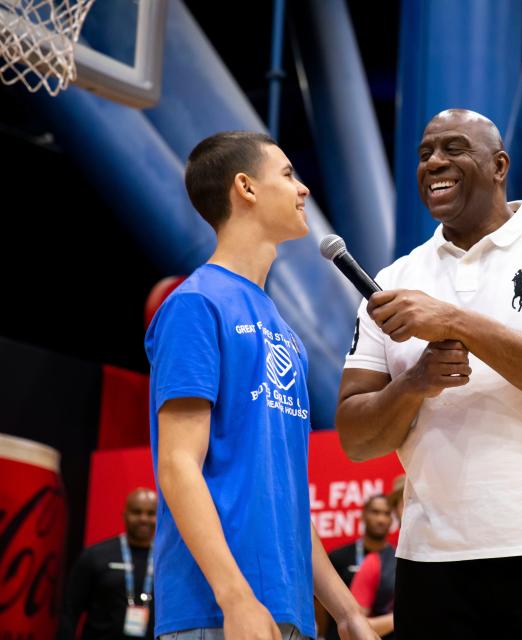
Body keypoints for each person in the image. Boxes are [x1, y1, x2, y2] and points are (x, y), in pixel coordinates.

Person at [335, 108, 522, 639]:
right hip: (430, 568)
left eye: (452, 149)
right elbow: (355, 437)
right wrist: (414, 384)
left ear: (498, 166)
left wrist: (457, 322)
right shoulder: (394, 279)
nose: (434, 163)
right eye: (425, 154)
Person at [145, 131, 377, 640]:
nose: (304, 190)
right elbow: (178, 464)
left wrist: (347, 612)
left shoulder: (280, 326)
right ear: (246, 188)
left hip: (285, 611)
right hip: (218, 612)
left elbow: (285, 500)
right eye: (289, 174)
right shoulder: (195, 304)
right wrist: (236, 597)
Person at [58, 488, 158, 640]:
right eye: (136, 512)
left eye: (151, 513)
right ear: (124, 515)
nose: (143, 519)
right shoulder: (95, 555)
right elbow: (70, 611)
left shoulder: (166, 562)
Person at [321, 495, 395, 640]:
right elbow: (320, 605)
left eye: (386, 514)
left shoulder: (397, 560)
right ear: (363, 515)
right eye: (375, 512)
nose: (381, 519)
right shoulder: (338, 557)